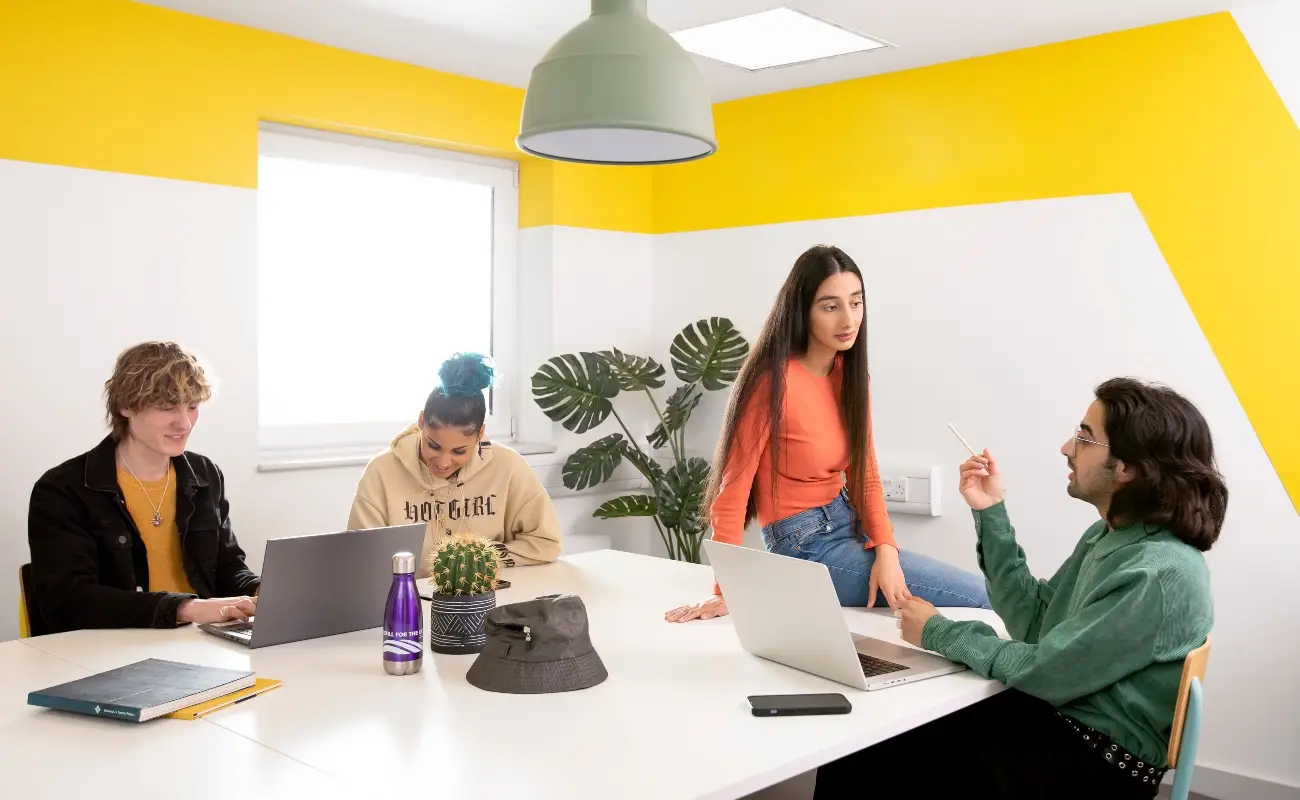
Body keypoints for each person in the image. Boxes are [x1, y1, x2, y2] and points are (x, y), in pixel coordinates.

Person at [815, 378, 1221, 799]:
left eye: (1085, 437)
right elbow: (1038, 621)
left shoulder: (1158, 573)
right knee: (871, 738)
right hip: (1063, 722)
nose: (1067, 447)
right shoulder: (1113, 535)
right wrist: (991, 512)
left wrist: (939, 632)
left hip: (1094, 762)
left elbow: (1048, 671)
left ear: (1128, 468)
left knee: (867, 758)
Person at [666, 245, 989, 623]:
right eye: (830, 306)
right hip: (804, 546)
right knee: (980, 599)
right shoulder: (772, 383)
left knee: (981, 595)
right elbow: (732, 492)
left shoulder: (850, 376)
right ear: (803, 311)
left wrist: (886, 550)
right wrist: (727, 590)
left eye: (856, 303)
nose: (848, 319)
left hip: (847, 524)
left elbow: (865, 475)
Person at [28, 342, 260, 634]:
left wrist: (259, 589)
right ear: (125, 406)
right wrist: (185, 608)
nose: (185, 423)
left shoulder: (205, 475)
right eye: (167, 408)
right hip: (108, 652)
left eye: (193, 406)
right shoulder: (63, 489)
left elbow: (227, 568)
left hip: (199, 644)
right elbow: (68, 602)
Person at [348, 352, 561, 578]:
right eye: (433, 445)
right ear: (421, 421)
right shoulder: (381, 471)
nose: (443, 462)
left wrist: (475, 562)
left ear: (480, 434)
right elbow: (361, 558)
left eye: (459, 451)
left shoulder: (509, 466)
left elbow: (545, 542)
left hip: (488, 601)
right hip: (410, 605)